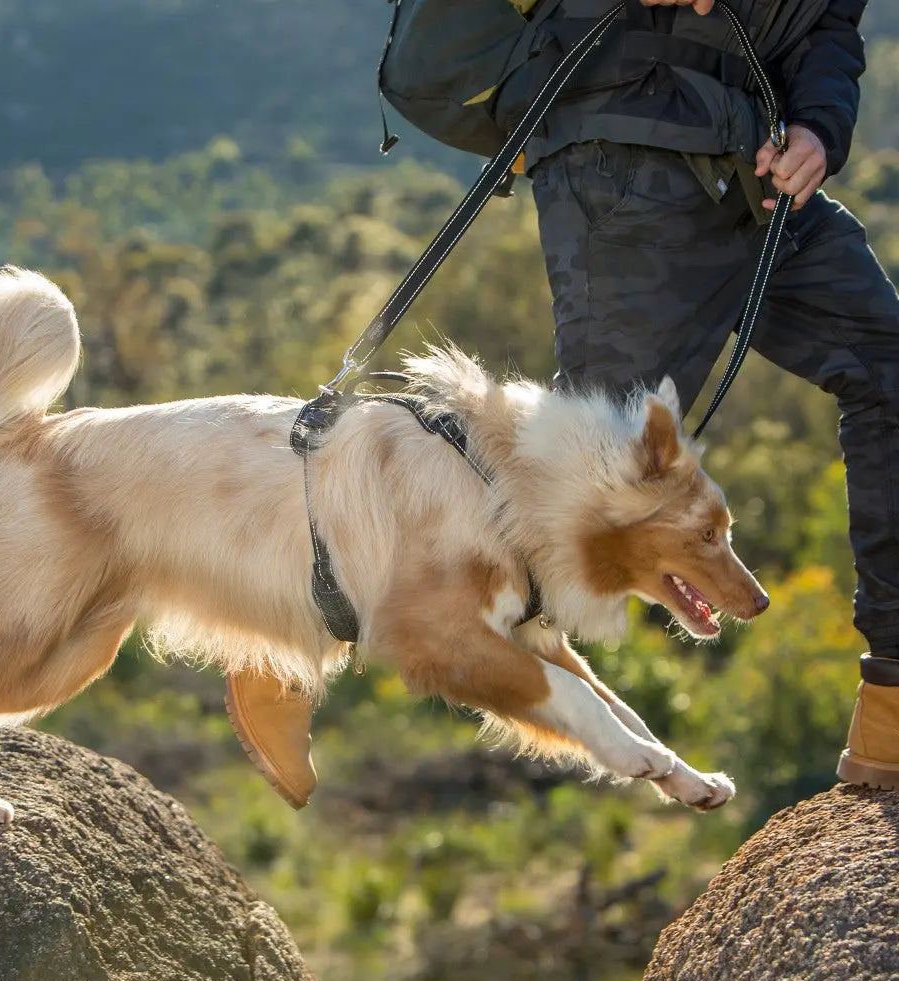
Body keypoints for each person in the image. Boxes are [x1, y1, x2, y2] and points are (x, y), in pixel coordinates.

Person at [228, 0, 899, 805]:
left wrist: (821, 126)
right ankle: (289, 632)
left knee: (890, 369)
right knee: (577, 479)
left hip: (757, 169)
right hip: (623, 156)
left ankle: (891, 698)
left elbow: (829, 23)